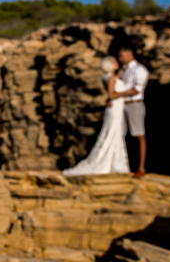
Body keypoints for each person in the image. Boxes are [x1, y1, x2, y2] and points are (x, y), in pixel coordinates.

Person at [62, 56, 129, 176]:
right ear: (111, 65)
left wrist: (121, 73)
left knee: (112, 132)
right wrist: (128, 91)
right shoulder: (111, 78)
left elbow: (113, 85)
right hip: (115, 107)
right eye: (114, 62)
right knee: (114, 132)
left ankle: (112, 161)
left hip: (114, 107)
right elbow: (112, 94)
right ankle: (112, 162)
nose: (116, 63)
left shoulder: (107, 77)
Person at [109, 46, 149, 177]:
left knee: (139, 135)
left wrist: (116, 95)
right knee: (119, 134)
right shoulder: (124, 71)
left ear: (129, 54)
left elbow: (136, 90)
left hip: (134, 104)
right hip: (122, 105)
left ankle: (141, 167)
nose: (120, 59)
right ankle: (121, 164)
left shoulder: (140, 70)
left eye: (121, 56)